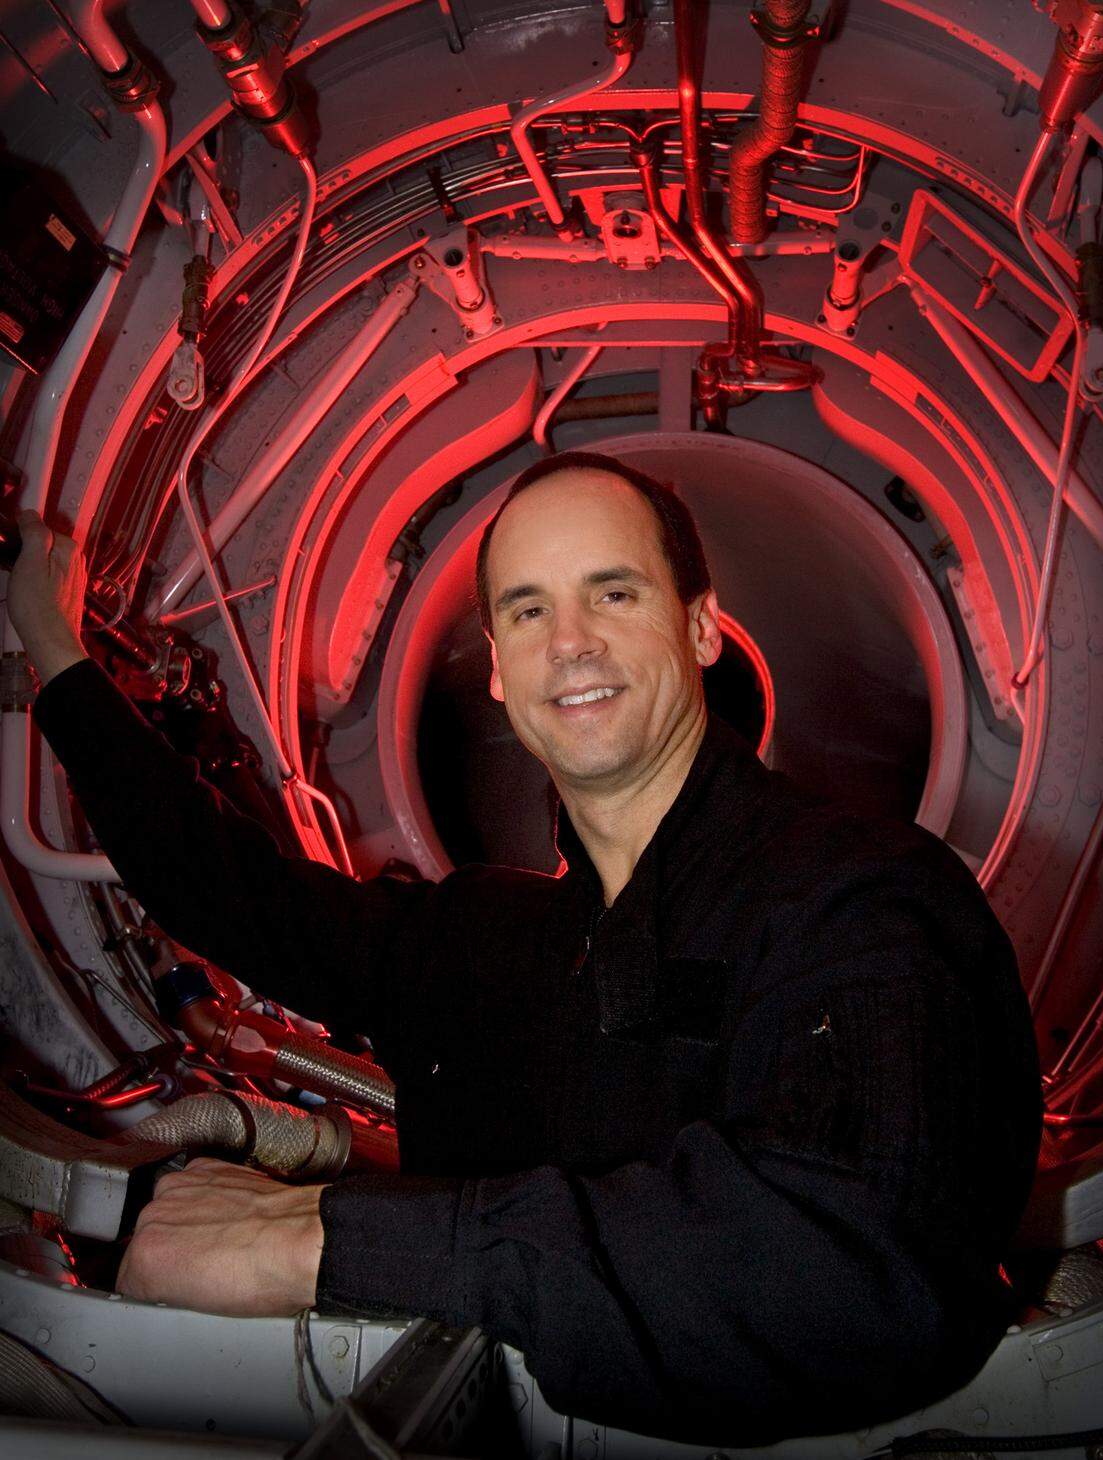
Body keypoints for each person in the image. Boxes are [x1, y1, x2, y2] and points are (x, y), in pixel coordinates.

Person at [8, 451, 1042, 1444]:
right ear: (498, 671)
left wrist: (319, 1238)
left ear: (704, 626)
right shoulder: (475, 939)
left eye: (615, 592)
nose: (571, 641)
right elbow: (225, 887)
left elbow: (848, 1270)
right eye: (528, 607)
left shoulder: (859, 894)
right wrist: (56, 650)